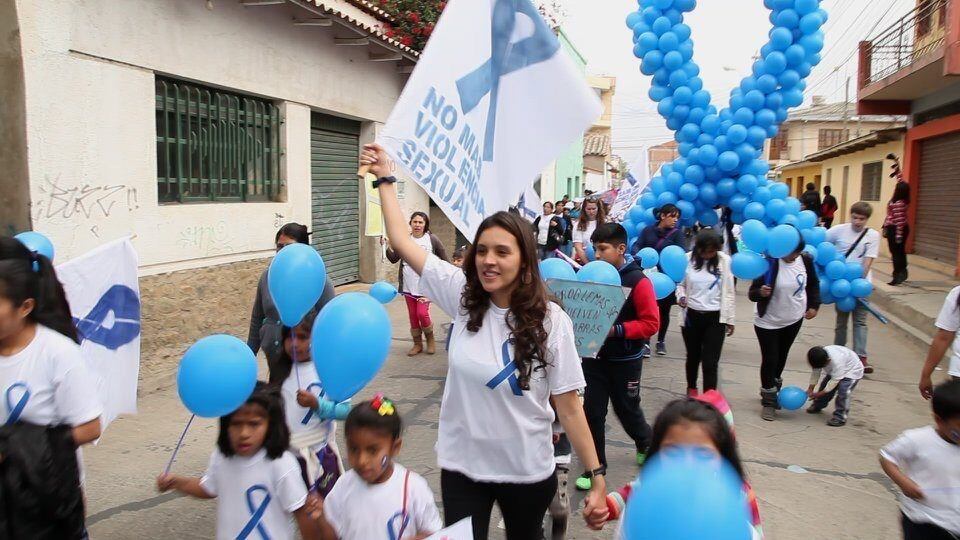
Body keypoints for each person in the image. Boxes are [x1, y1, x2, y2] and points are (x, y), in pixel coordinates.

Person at [361, 144, 608, 539]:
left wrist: (596, 475)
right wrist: (385, 178)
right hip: (463, 468)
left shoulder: (551, 321)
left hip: (527, 471)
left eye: (502, 252)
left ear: (524, 260)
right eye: (482, 251)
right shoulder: (462, 296)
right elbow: (404, 243)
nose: (488, 260)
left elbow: (569, 406)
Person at [0, 237, 104, 536]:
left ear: (25, 307)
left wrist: (14, 446)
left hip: (45, 505)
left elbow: (90, 428)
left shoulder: (58, 353)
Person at [156, 383, 318, 540]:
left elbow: (302, 513)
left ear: (271, 425)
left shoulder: (281, 464)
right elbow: (208, 487)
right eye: (236, 424)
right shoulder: (221, 457)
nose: (244, 433)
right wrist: (177, 482)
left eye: (254, 424)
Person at [603, 392, 764, 539]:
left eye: (703, 454)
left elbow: (754, 532)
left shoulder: (739, 493)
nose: (688, 464)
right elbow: (629, 494)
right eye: (673, 452)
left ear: (723, 455)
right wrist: (605, 507)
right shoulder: (649, 490)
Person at [575, 224, 660, 492]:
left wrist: (616, 330)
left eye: (603, 249)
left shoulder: (638, 281)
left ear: (621, 249)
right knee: (592, 413)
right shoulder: (590, 275)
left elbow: (651, 323)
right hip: (594, 359)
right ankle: (595, 467)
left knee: (627, 409)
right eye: (594, 249)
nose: (597, 255)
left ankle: (645, 442)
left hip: (626, 361)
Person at [309, 395, 442, 540]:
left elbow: (435, 534)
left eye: (372, 451)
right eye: (354, 449)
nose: (362, 460)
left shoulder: (414, 488)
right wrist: (321, 517)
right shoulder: (343, 486)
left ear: (395, 447)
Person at [270, 311, 349, 495]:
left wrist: (317, 405)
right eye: (289, 337)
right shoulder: (280, 370)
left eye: (302, 337)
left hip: (319, 455)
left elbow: (345, 410)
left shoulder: (328, 369)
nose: (295, 343)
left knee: (325, 505)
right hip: (286, 457)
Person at [248, 223, 336, 378]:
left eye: (288, 247)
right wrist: (249, 353)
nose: (282, 251)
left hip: (306, 361)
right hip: (274, 358)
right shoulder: (267, 277)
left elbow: (329, 323)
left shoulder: (319, 280)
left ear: (303, 248)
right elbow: (257, 317)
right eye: (279, 247)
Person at [749, 235, 821, 421]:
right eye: (792, 252)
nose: (795, 256)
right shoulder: (769, 263)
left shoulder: (805, 261)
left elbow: (813, 284)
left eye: (798, 252)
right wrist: (761, 292)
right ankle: (768, 402)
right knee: (770, 358)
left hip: (793, 319)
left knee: (781, 357)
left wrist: (814, 305)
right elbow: (752, 293)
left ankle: (773, 390)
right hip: (768, 321)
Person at [879, 380, 960, 540]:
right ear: (939, 420)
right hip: (923, 519)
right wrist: (903, 482)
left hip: (955, 521)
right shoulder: (917, 439)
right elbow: (886, 457)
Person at [677, 230, 736, 397]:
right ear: (698, 248)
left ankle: (710, 396)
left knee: (711, 361)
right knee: (693, 356)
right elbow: (680, 284)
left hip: (715, 317)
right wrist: (681, 297)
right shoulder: (686, 259)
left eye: (713, 251)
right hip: (692, 315)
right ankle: (691, 388)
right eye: (706, 251)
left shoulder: (725, 261)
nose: (709, 255)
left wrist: (730, 318)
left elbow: (729, 291)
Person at [827, 202, 881, 374]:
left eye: (861, 219)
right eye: (855, 217)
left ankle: (860, 358)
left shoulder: (872, 236)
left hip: (861, 285)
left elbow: (868, 261)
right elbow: (823, 246)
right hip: (841, 286)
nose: (857, 222)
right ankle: (838, 355)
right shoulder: (838, 231)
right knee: (841, 322)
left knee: (860, 322)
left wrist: (859, 285)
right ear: (850, 216)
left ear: (867, 219)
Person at [385, 212, 449, 357]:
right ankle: (417, 344)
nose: (417, 225)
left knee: (422, 313)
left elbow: (444, 260)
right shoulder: (405, 240)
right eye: (415, 222)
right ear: (411, 223)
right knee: (413, 316)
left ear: (425, 225)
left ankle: (430, 340)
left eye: (421, 222)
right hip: (408, 285)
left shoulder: (432, 239)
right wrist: (388, 246)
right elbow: (394, 259)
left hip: (426, 286)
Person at [632, 204, 686, 356]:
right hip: (648, 276)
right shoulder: (648, 230)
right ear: (663, 216)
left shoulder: (677, 234)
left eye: (677, 217)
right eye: (672, 216)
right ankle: (646, 342)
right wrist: (641, 257)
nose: (675, 220)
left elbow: (681, 253)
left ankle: (661, 341)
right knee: (647, 309)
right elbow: (637, 245)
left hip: (666, 279)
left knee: (664, 310)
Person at [805, 345, 864, 427]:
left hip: (851, 371)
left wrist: (819, 394)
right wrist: (810, 388)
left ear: (828, 360)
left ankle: (840, 417)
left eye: (822, 366)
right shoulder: (818, 357)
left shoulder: (837, 361)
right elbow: (816, 372)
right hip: (835, 371)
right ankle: (818, 405)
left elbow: (834, 381)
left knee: (843, 392)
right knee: (824, 385)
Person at [919, 286, 960, 399]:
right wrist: (926, 375)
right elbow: (943, 337)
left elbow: (944, 338)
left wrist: (926, 375)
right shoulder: (957, 293)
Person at [883, 181, 911, 286]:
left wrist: (898, 235)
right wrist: (897, 173)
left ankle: (897, 276)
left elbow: (899, 221)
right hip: (898, 228)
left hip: (896, 229)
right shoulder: (902, 200)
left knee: (896, 253)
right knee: (900, 251)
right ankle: (903, 272)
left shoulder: (899, 203)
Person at [573, 198, 607, 265]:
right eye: (588, 209)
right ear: (584, 209)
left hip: (603, 260)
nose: (591, 212)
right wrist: (588, 263)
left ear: (598, 209)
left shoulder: (605, 222)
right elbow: (578, 247)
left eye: (594, 209)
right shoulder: (578, 225)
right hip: (585, 259)